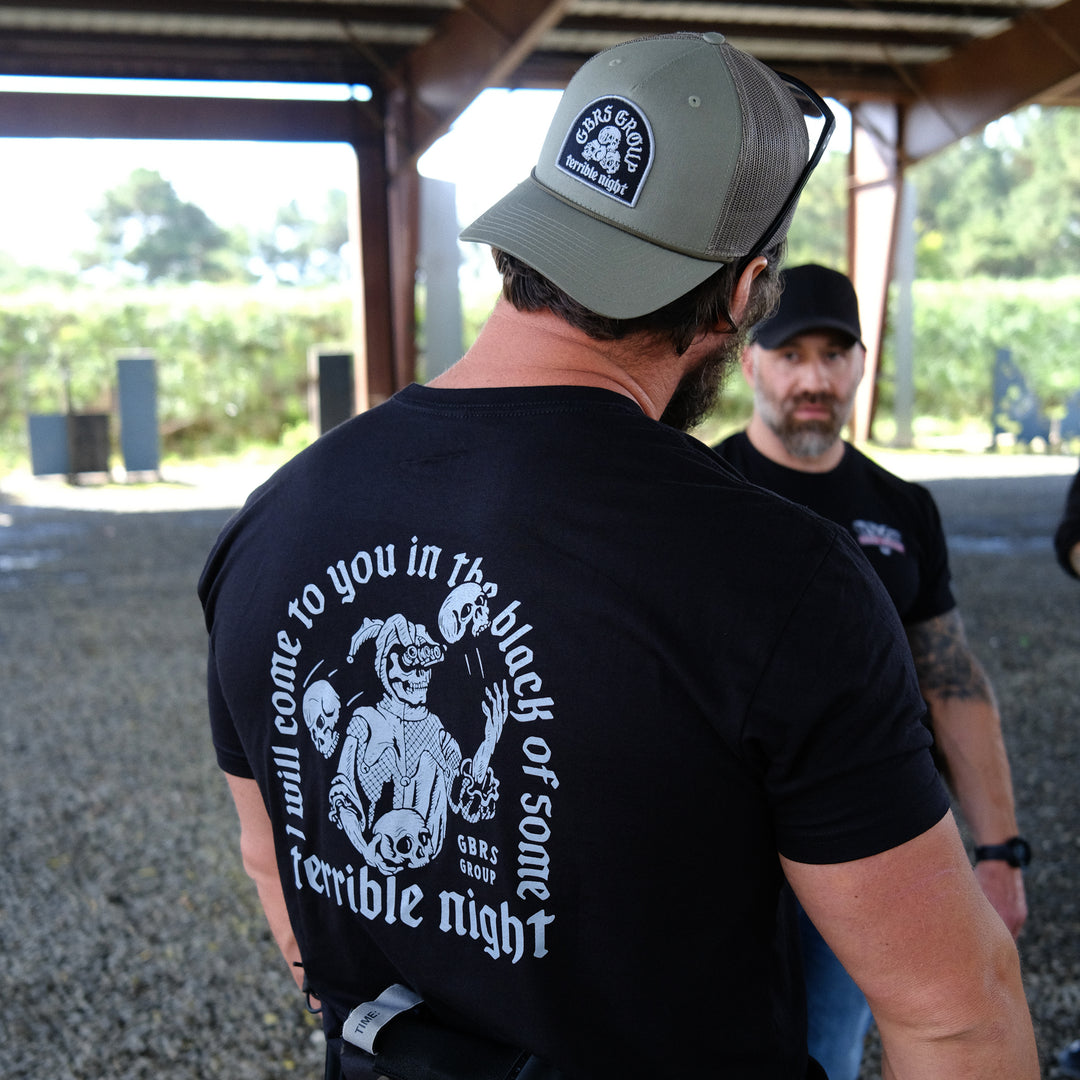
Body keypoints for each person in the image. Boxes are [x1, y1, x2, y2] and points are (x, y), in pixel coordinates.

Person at [199, 34, 1038, 1080]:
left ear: (530, 232)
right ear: (742, 294)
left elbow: (274, 864)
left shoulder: (270, 522)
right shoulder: (784, 583)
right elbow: (956, 1015)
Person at [716, 263, 1030, 1080]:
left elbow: (951, 682)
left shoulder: (902, 507)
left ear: (861, 365)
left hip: (867, 848)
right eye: (789, 354)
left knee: (829, 1049)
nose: (812, 378)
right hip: (722, 855)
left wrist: (998, 852)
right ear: (750, 364)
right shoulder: (703, 492)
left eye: (833, 353)